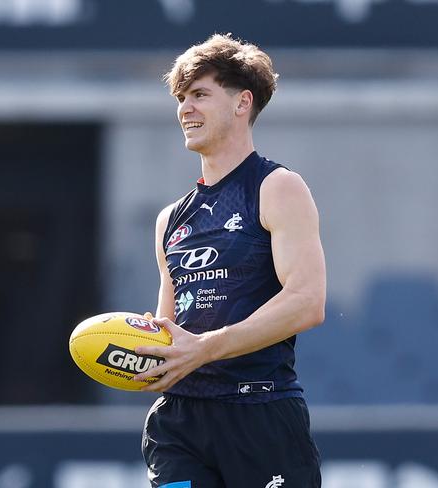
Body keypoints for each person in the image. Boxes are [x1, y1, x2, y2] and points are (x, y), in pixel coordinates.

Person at [132, 33, 326, 488]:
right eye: (182, 98)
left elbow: (307, 302)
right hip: (180, 423)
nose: (185, 108)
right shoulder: (169, 220)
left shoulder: (277, 187)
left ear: (242, 103)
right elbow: (171, 334)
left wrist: (205, 347)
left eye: (200, 94)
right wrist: (142, 353)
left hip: (259, 413)